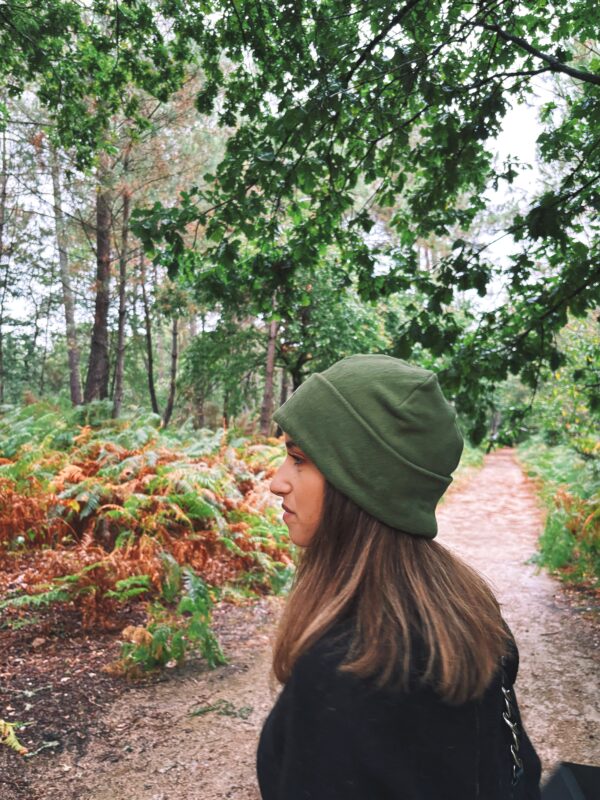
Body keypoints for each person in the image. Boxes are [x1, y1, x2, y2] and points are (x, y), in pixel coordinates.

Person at [256, 354, 541, 800]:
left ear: (362, 480)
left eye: (298, 459)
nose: (276, 482)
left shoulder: (347, 667)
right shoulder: (465, 605)